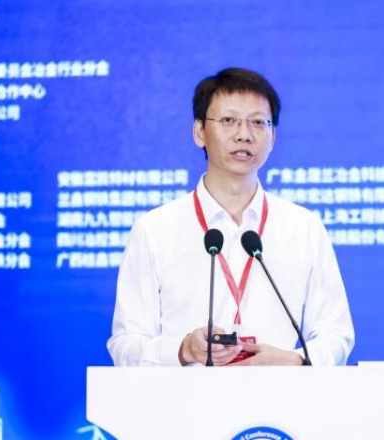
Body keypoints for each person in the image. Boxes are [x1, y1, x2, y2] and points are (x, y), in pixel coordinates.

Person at [107, 67, 354, 366]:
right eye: (228, 121)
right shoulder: (154, 230)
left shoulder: (304, 228)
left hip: (279, 395)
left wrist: (294, 360)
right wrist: (183, 349)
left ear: (273, 137)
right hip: (183, 395)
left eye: (258, 123)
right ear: (199, 132)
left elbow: (335, 334)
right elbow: (125, 344)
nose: (244, 135)